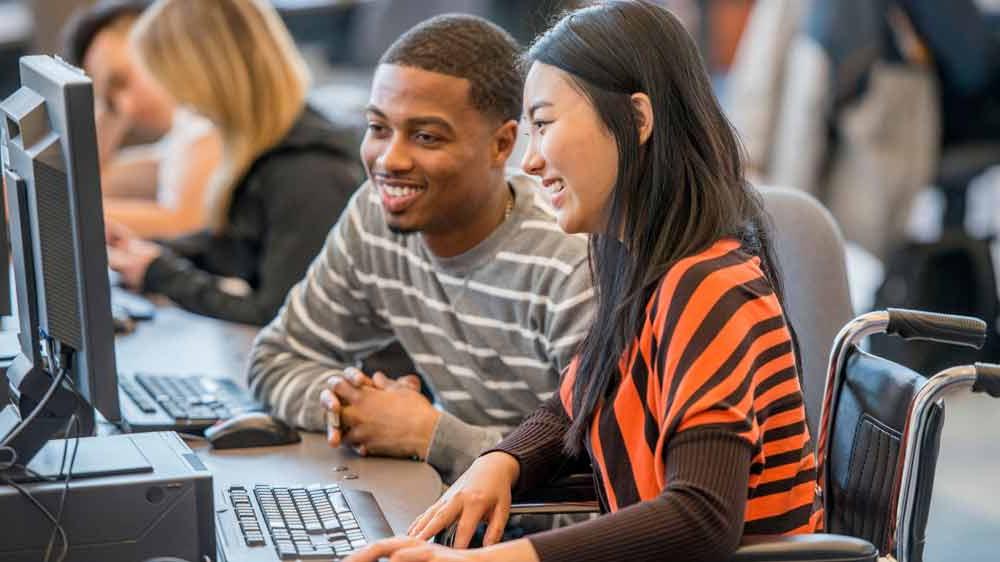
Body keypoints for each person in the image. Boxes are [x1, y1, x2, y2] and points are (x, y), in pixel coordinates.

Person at [348, 2, 819, 562]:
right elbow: (575, 406)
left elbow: (701, 517)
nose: (530, 161)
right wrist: (500, 462)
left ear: (637, 120)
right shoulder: (642, 263)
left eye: (544, 125)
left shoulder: (710, 285)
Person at [248, 14, 594, 483]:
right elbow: (276, 358)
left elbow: (599, 459)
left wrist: (431, 434)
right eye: (378, 128)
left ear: (502, 144)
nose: (390, 160)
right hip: (446, 505)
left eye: (426, 136)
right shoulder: (375, 217)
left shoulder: (569, 263)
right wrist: (347, 405)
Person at [106, 0, 363, 326]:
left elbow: (278, 315)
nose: (183, 104)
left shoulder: (307, 171)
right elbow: (240, 246)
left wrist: (163, 276)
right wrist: (152, 251)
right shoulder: (267, 144)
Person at [62, 0, 222, 238]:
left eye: (122, 80)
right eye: (112, 99)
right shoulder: (182, 135)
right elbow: (98, 181)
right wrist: (107, 108)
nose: (126, 107)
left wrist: (57, 214)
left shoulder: (206, 123)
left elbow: (186, 223)